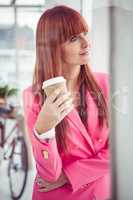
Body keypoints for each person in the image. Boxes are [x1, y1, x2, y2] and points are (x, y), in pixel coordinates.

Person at [23, 5, 111, 200]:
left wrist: (69, 174)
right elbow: (49, 176)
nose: (86, 43)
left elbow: (122, 149)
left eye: (84, 34)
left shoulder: (107, 84)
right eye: (73, 38)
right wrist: (44, 128)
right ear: (52, 47)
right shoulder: (33, 96)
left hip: (102, 192)